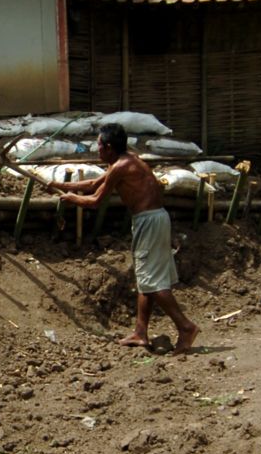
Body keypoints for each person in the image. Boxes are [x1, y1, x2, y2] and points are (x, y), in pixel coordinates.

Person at [46, 123, 200, 354]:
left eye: (98, 145)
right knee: (145, 281)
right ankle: (140, 333)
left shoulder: (122, 166)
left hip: (149, 221)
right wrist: (60, 185)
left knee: (154, 283)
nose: (96, 149)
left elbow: (96, 199)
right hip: (149, 220)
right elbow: (93, 183)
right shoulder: (125, 160)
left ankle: (185, 327)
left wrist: (70, 198)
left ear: (108, 147)